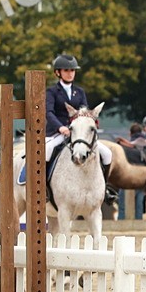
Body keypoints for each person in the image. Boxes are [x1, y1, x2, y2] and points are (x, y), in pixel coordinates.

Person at [44, 54, 115, 202]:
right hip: (58, 132)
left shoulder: (80, 92)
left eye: (72, 71)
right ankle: (43, 188)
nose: (70, 73)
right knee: (47, 151)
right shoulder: (51, 92)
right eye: (66, 70)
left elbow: (85, 112)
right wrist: (60, 128)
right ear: (58, 72)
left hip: (79, 134)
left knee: (107, 153)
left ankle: (105, 188)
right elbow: (48, 113)